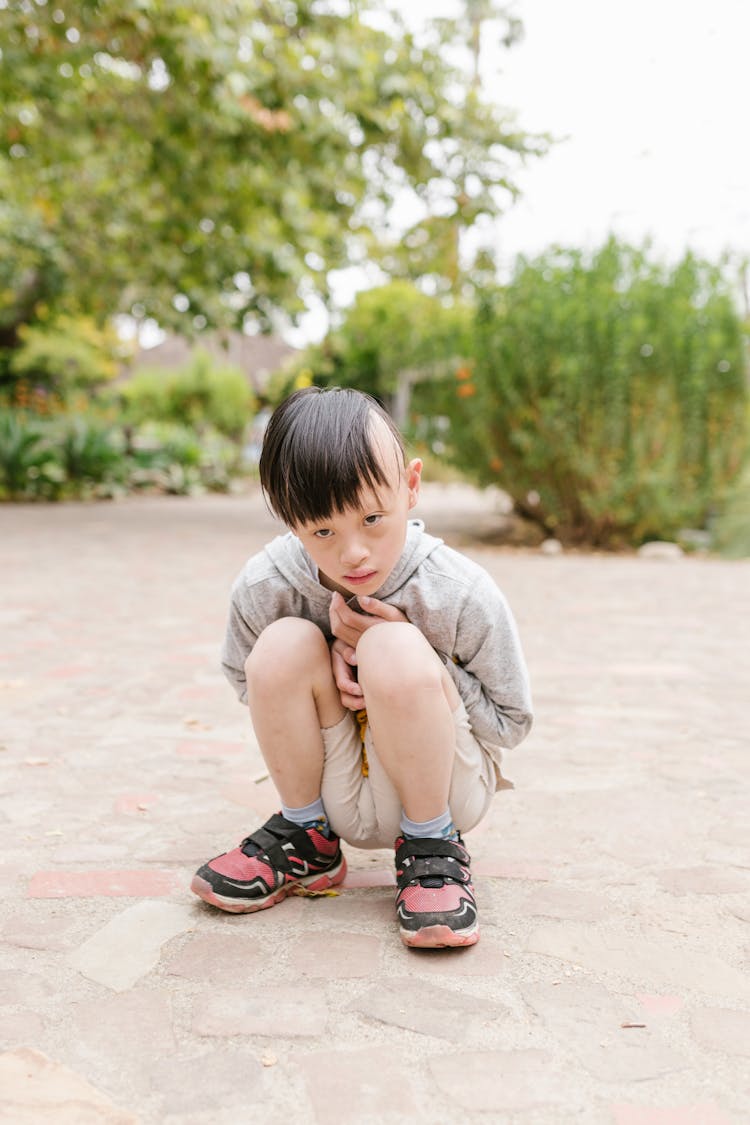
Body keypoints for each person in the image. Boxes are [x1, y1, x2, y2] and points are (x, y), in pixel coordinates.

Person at [191, 386, 532, 948]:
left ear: (412, 487)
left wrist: (423, 664)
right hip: (334, 788)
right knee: (280, 646)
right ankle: (308, 840)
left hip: (444, 792)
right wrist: (326, 676)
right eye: (323, 530)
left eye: (374, 518)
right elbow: (245, 677)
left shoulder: (456, 590)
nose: (354, 553)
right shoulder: (266, 585)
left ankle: (432, 850)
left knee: (390, 648)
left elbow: (511, 723)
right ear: (288, 518)